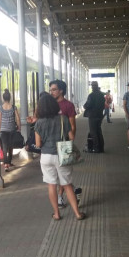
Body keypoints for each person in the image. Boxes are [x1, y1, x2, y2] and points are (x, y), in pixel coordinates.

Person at [34, 93, 86, 221]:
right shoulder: (62, 119)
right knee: (67, 184)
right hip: (62, 155)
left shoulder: (39, 123)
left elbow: (38, 144)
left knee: (51, 185)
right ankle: (77, 214)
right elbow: (72, 137)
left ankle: (56, 214)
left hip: (46, 157)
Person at [0, 89, 21, 172]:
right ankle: (9, 162)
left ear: (3, 99)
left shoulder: (0, 108)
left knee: (4, 147)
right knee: (11, 146)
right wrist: (19, 127)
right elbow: (17, 118)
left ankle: (5, 164)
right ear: (10, 98)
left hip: (3, 130)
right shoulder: (14, 107)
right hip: (12, 129)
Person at [83, 81, 106, 153]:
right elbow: (103, 105)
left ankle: (96, 148)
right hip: (99, 115)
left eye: (92, 86)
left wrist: (85, 106)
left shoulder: (91, 95)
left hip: (92, 116)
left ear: (92, 87)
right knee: (99, 131)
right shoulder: (101, 95)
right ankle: (101, 148)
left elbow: (88, 105)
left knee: (93, 132)